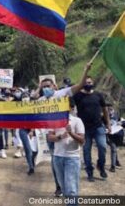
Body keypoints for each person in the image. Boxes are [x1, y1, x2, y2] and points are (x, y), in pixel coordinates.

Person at [33, 62, 91, 196]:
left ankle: (68, 186)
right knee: (56, 162)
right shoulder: (41, 100)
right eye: (44, 87)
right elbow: (31, 105)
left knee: (65, 158)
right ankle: (59, 186)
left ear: (54, 86)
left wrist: (86, 70)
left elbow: (80, 85)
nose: (46, 88)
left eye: (48, 86)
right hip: (51, 133)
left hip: (68, 130)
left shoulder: (61, 93)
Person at [48, 99, 85, 206]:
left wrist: (71, 133)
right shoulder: (54, 121)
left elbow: (82, 140)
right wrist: (60, 136)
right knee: (64, 188)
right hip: (57, 157)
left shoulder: (77, 121)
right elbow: (50, 137)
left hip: (72, 158)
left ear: (71, 108)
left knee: (71, 189)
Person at [73, 76, 110, 181]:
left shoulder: (98, 95)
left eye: (90, 82)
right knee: (86, 151)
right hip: (84, 129)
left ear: (93, 83)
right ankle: (90, 172)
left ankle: (101, 166)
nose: (88, 84)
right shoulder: (78, 96)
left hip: (98, 126)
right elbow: (69, 106)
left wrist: (108, 124)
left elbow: (105, 109)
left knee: (102, 147)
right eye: (86, 82)